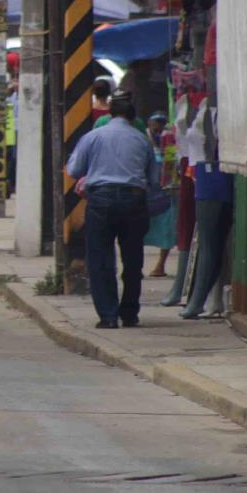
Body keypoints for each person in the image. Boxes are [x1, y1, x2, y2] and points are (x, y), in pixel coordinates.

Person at [66, 91, 159, 328]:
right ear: (132, 113)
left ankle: (108, 316)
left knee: (100, 259)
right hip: (133, 201)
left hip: (101, 201)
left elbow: (74, 170)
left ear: (110, 111)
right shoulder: (142, 140)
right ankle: (129, 313)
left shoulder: (93, 136)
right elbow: (153, 179)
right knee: (133, 260)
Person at [143, 111, 177, 278]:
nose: (157, 127)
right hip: (148, 191)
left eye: (160, 123)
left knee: (166, 228)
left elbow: (170, 163)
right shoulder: (143, 140)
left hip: (164, 191)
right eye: (155, 123)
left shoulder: (168, 140)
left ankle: (160, 265)